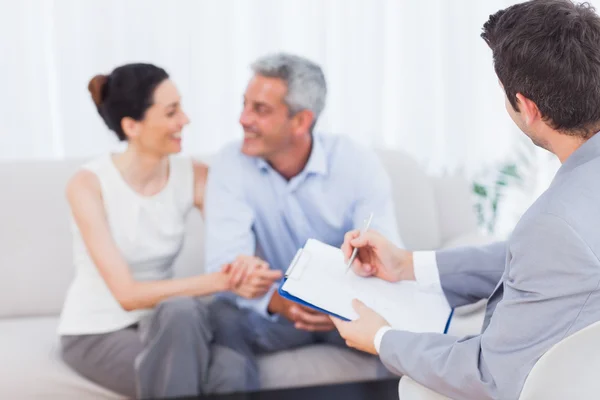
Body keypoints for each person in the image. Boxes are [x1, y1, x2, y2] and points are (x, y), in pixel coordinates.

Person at [332, 1, 600, 399]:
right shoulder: (569, 218)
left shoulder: (555, 223)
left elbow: (489, 375)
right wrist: (409, 264)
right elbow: (551, 264)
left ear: (527, 108)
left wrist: (383, 338)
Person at [57, 63, 282, 399]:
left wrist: (248, 267)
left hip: (167, 323)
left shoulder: (194, 174)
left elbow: (234, 240)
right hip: (96, 331)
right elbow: (128, 295)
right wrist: (224, 280)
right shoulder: (88, 184)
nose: (185, 120)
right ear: (132, 125)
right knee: (187, 330)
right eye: (171, 112)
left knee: (223, 360)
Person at [204, 53, 403, 389]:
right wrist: (277, 301)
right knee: (222, 317)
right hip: (276, 312)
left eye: (260, 110)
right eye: (244, 105)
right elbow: (227, 264)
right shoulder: (230, 164)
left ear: (301, 121)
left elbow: (387, 253)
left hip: (350, 309)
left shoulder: (356, 163)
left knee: (406, 333)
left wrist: (339, 302)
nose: (243, 119)